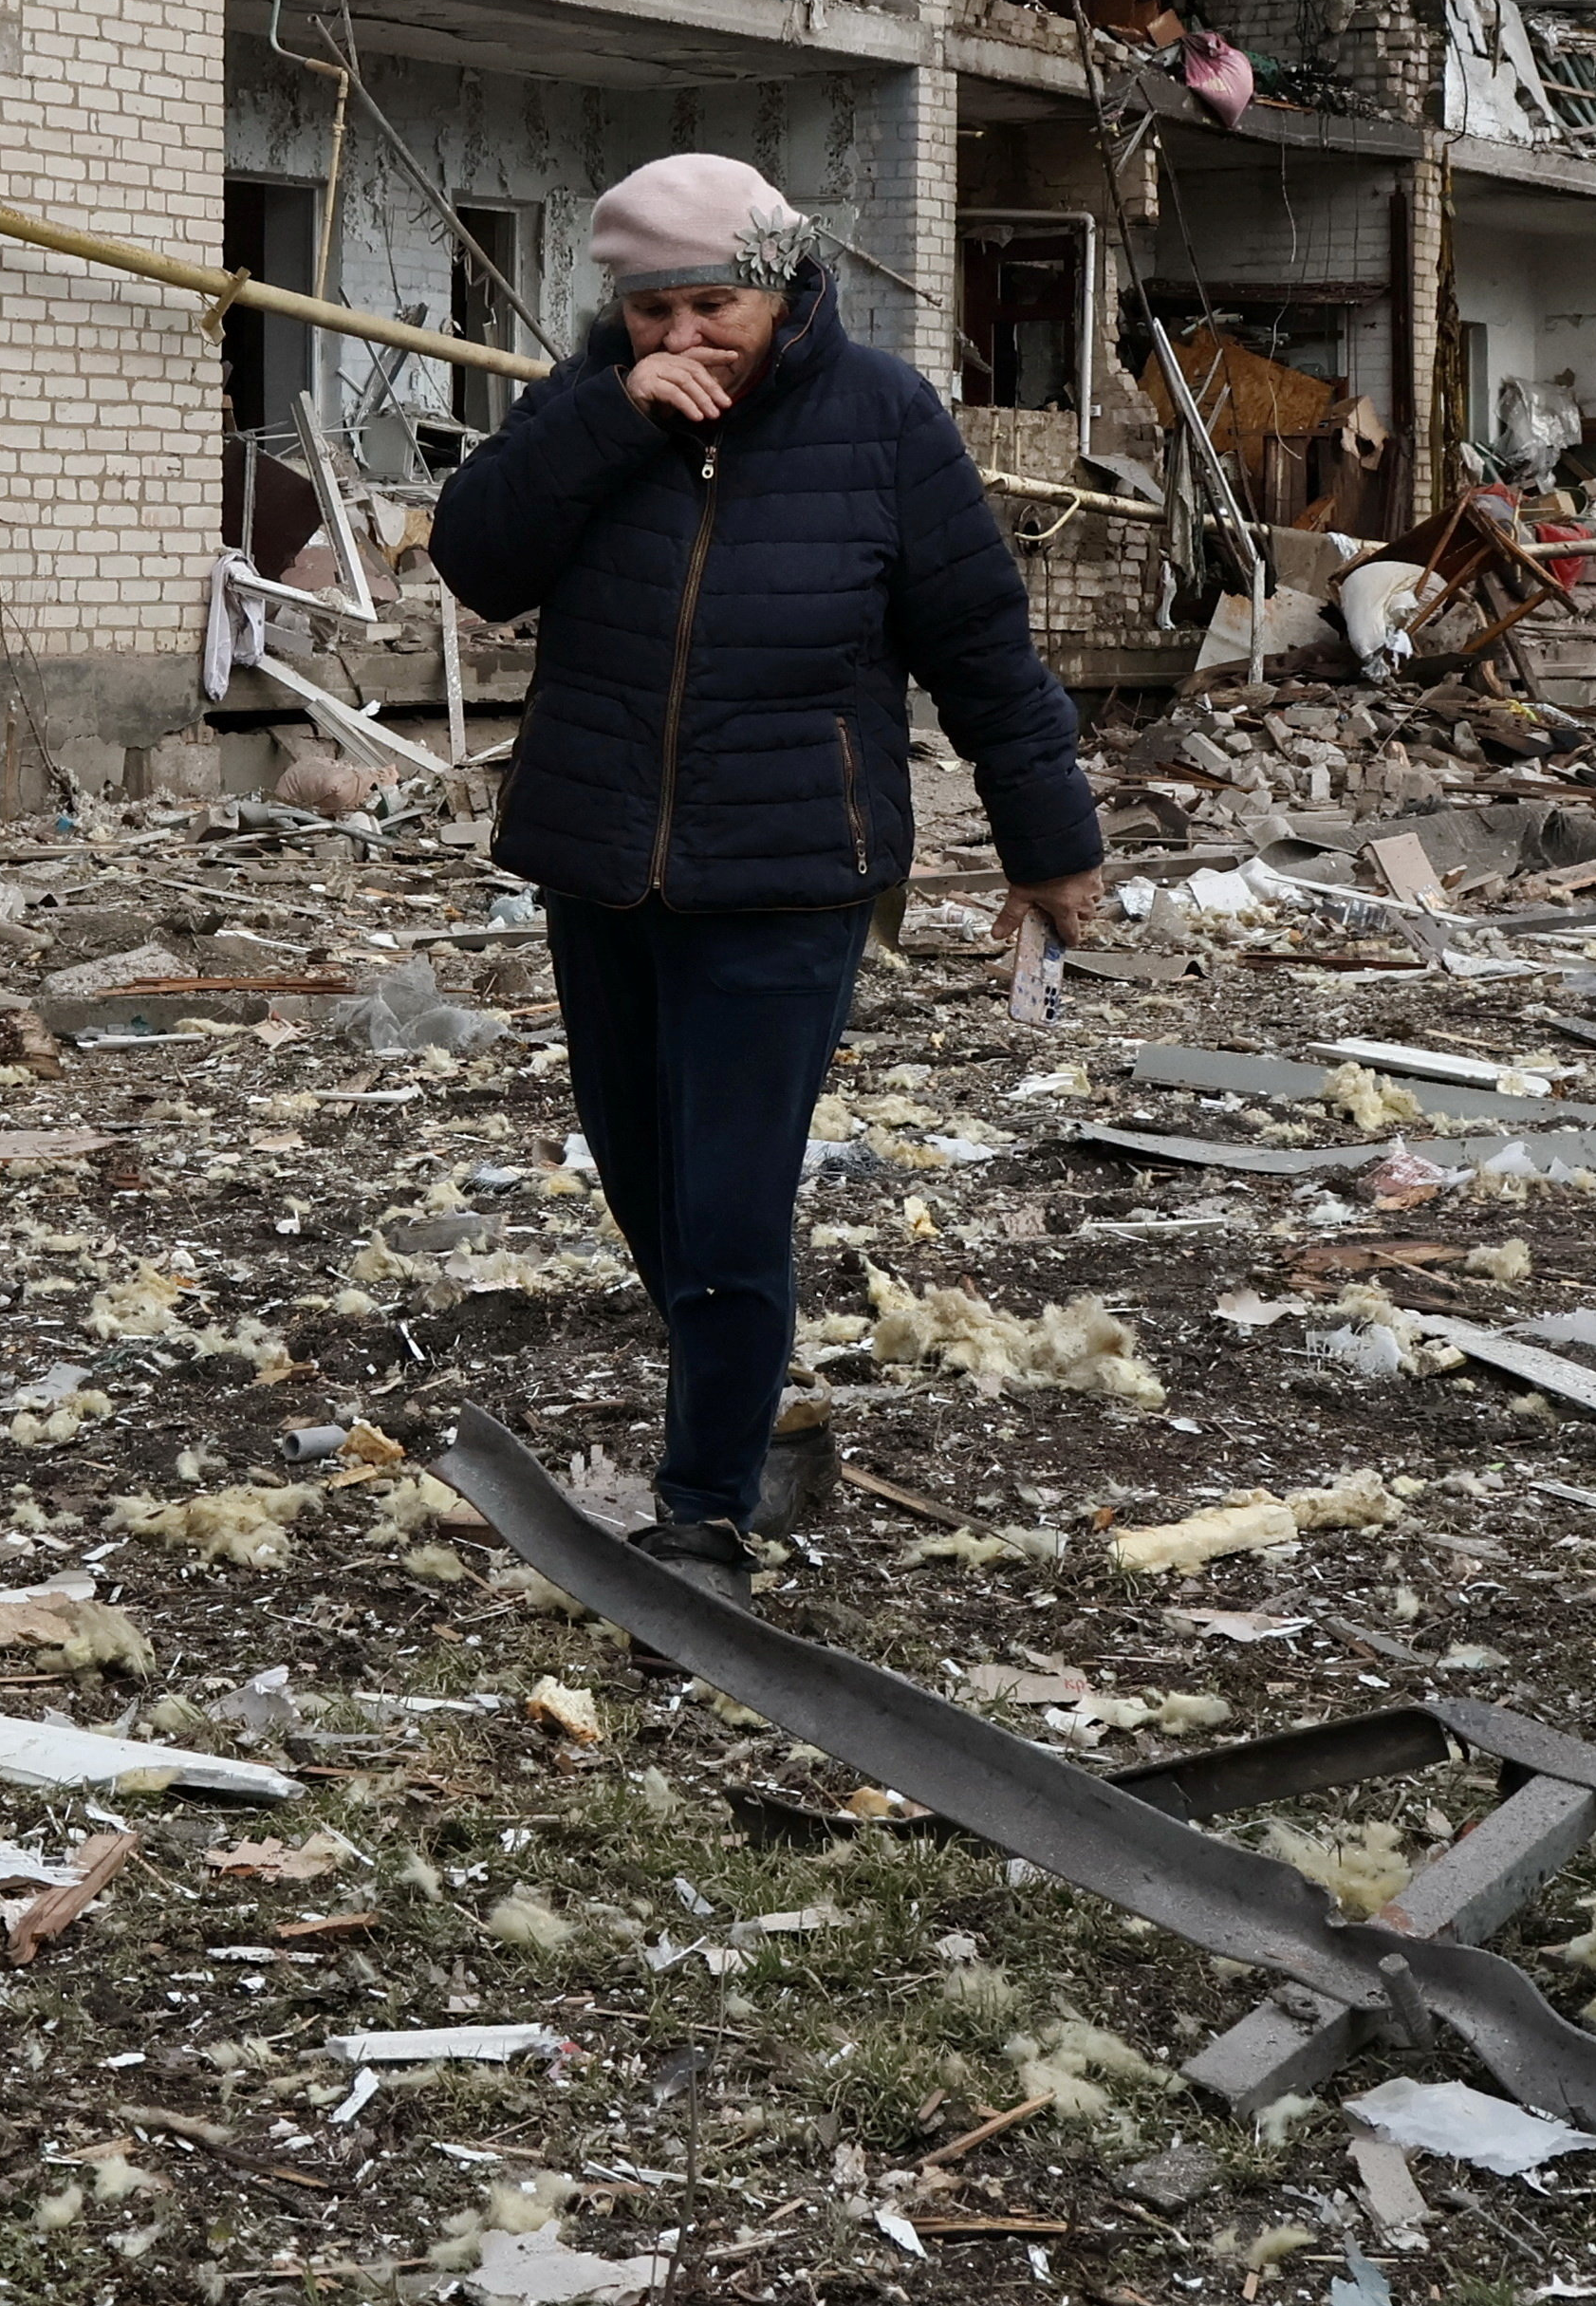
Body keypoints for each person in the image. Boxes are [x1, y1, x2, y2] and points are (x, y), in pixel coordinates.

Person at [428, 152, 1108, 1602]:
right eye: (653, 311)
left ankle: (702, 1516)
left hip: (791, 872)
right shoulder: (588, 402)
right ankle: (746, 1417)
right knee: (645, 1186)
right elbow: (478, 559)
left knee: (732, 1203)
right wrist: (609, 423)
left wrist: (1048, 845)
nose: (683, 337)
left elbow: (982, 650)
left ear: (785, 285)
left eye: (711, 305)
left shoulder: (881, 423)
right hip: (600, 864)